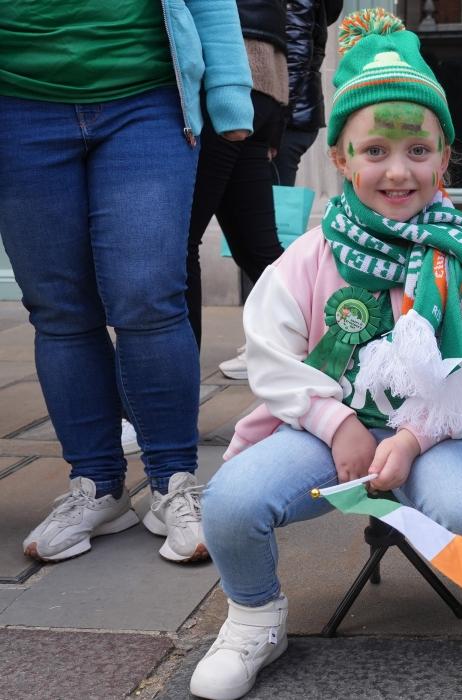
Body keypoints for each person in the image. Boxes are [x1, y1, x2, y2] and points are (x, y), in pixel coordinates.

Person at [189, 11, 462, 699]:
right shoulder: (308, 257)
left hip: (434, 434)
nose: (398, 171)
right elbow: (270, 356)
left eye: (418, 150)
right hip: (322, 434)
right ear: (343, 159)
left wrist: (411, 438)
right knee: (229, 503)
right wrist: (336, 422)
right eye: (375, 150)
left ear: (445, 156)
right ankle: (255, 616)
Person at [0, 0, 252, 564]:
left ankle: (173, 483)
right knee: (58, 308)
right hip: (16, 103)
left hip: (146, 96)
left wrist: (230, 91)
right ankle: (97, 487)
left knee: (148, 296)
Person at [187, 0, 291, 379]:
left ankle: (173, 386)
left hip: (221, 77)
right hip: (265, 81)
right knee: (259, 249)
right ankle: (314, 351)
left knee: (179, 243)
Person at [273, 0, 344, 187]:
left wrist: (277, 123)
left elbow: (295, 58)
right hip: (292, 114)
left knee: (276, 200)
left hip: (287, 118)